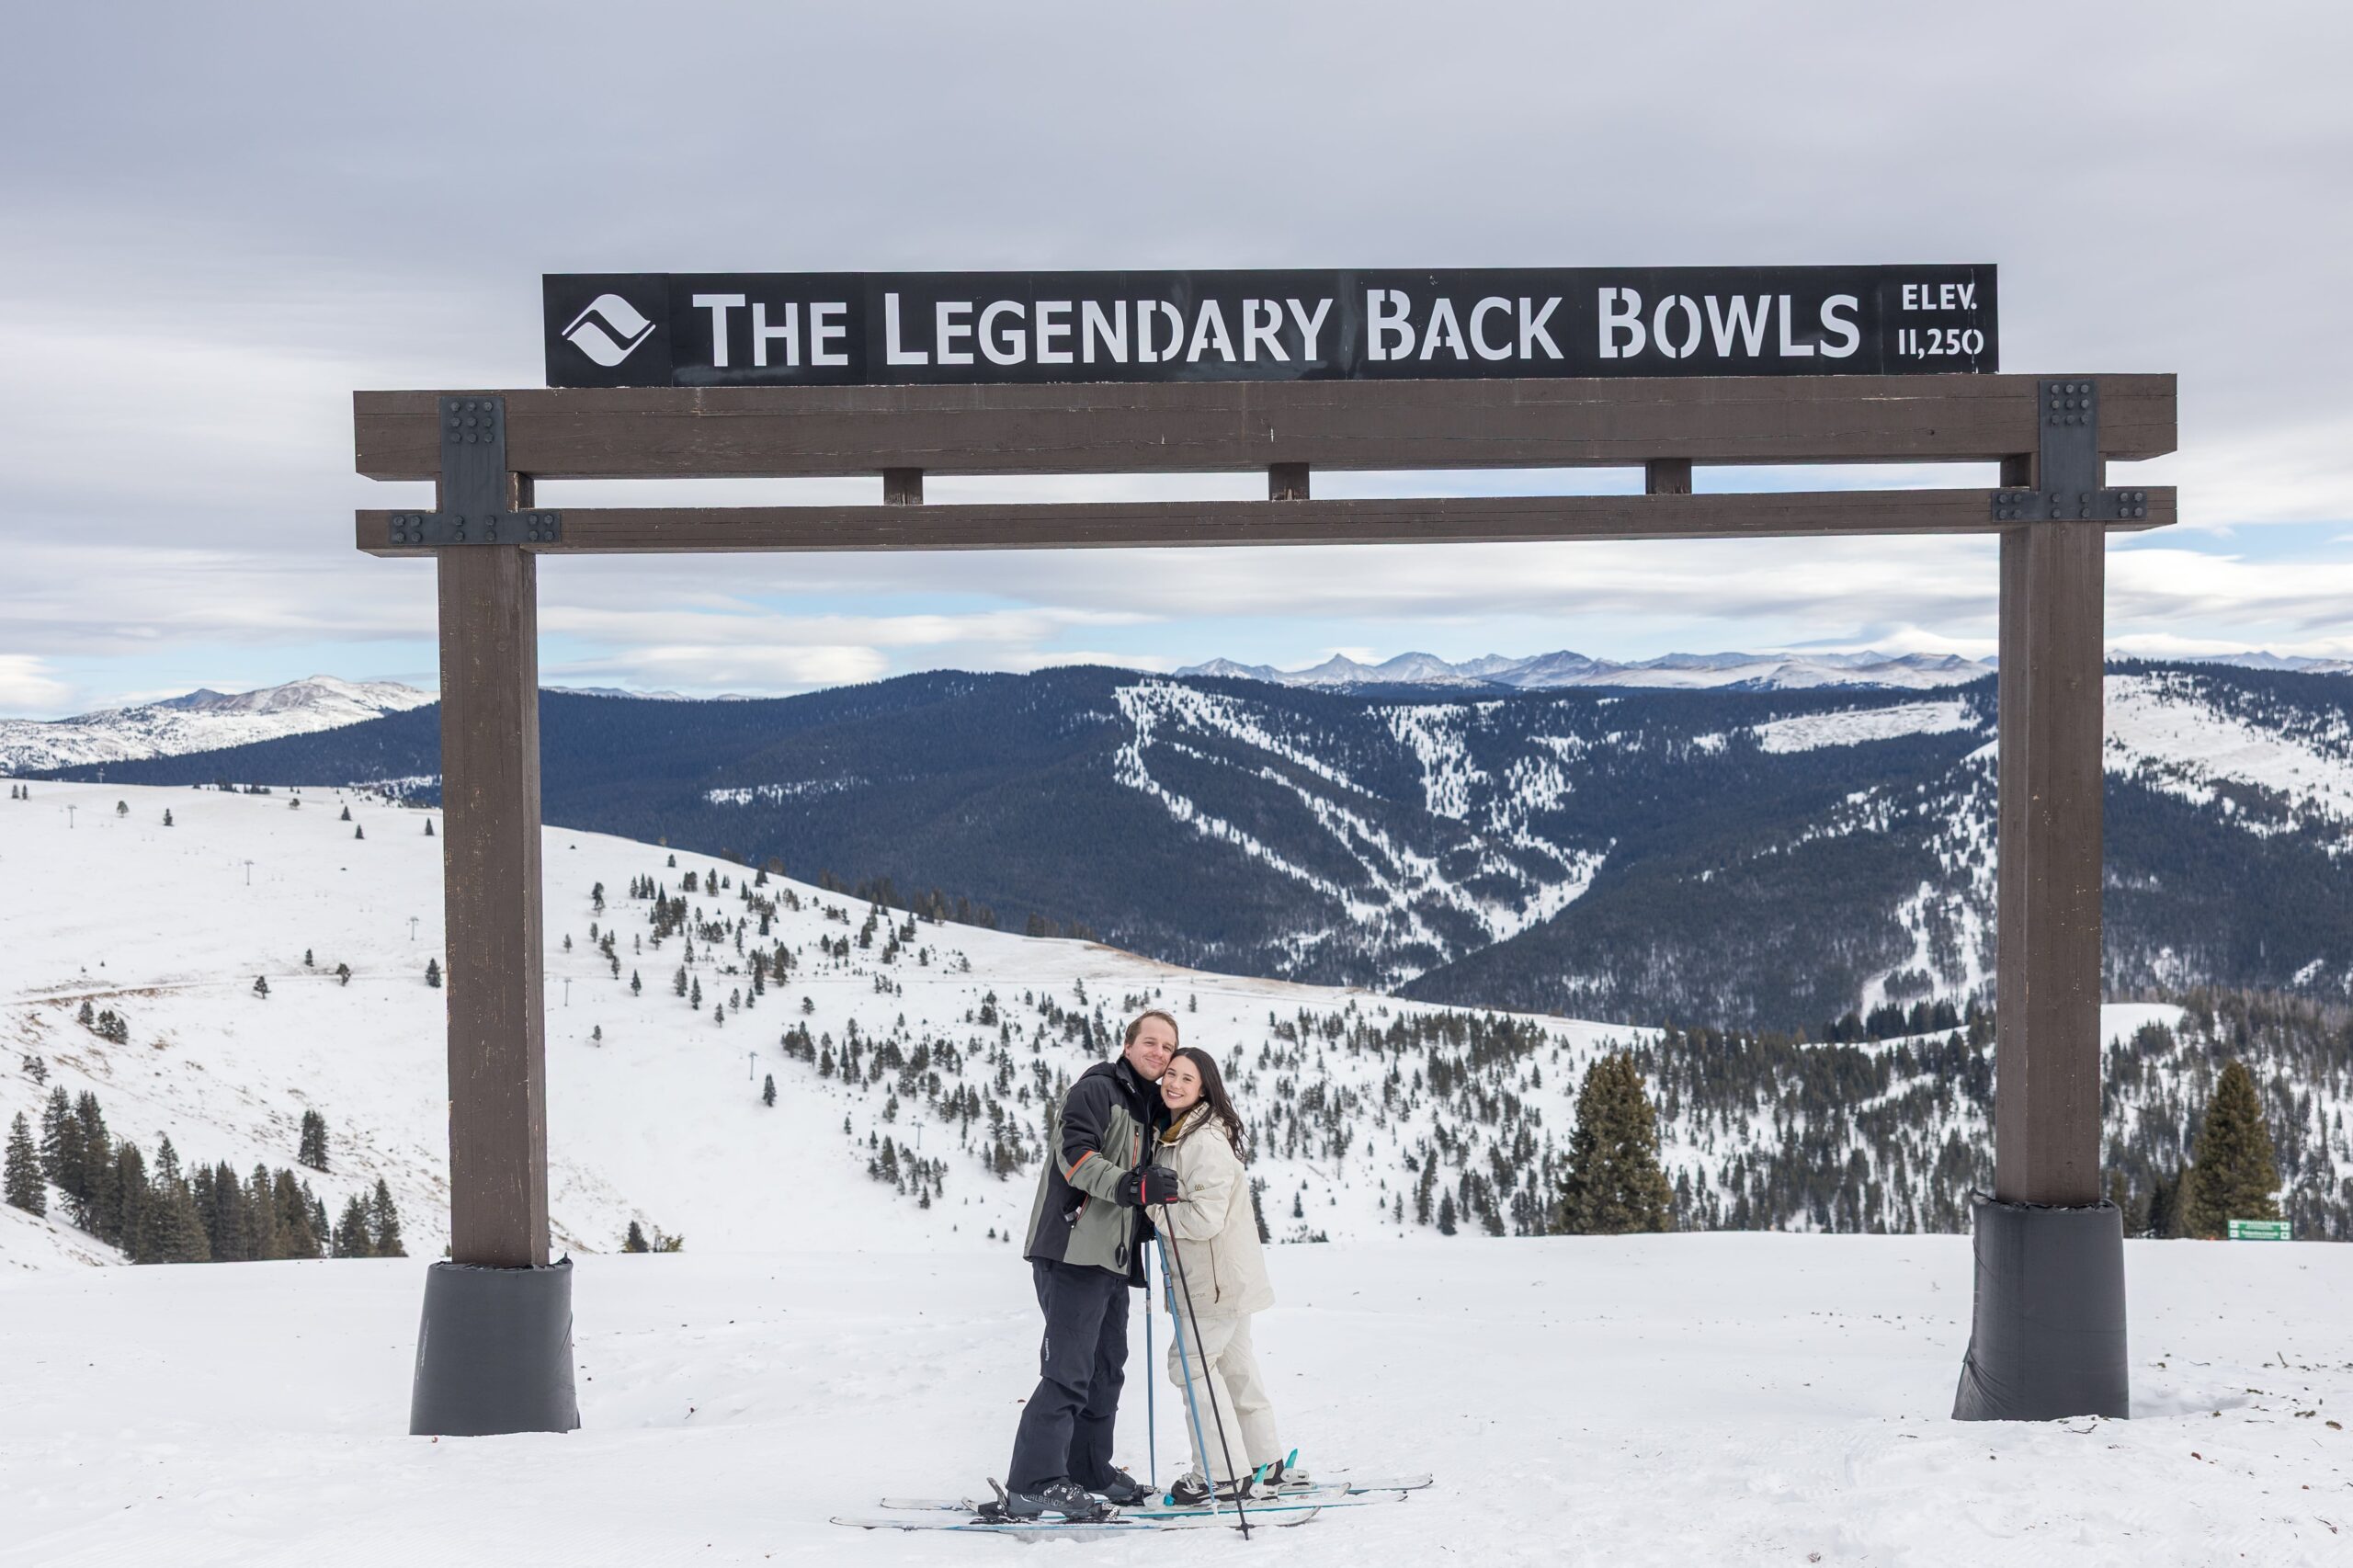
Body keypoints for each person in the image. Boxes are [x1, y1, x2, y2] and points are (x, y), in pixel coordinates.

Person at [995, 1008, 1182, 1520]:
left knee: (1105, 1370)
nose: (1158, 1053)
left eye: (1168, 1048)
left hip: (1111, 1261)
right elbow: (1075, 1157)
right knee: (1068, 1371)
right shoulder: (1096, 1090)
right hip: (1072, 1251)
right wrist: (1131, 1185)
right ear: (1128, 1046)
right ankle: (1033, 1481)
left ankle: (1088, 1469)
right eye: (1150, 1042)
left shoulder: (1147, 1108)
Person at [1153, 1045, 1307, 1503]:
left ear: (1204, 1090)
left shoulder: (1201, 1141)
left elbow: (1202, 1220)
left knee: (1191, 1368)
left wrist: (1152, 1206)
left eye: (1187, 1079)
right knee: (1235, 1367)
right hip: (1227, 1280)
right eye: (1171, 1074)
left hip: (1212, 1283)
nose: (1173, 1084)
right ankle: (1264, 1463)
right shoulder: (1185, 1134)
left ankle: (1220, 1475)